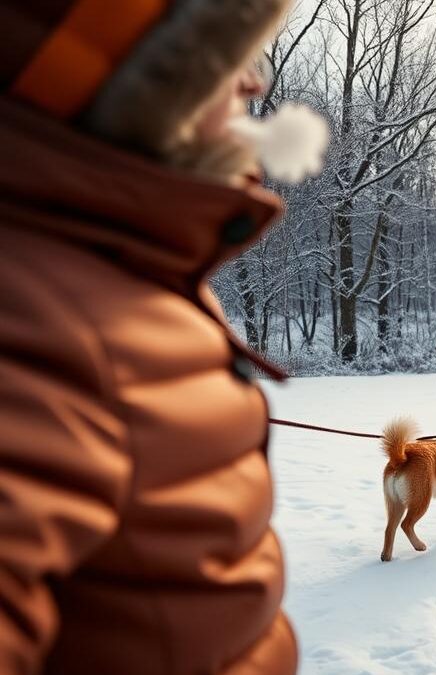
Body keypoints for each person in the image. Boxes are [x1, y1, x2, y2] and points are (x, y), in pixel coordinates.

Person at [0, 1, 312, 672]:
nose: (254, 81)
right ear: (140, 76)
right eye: (231, 57)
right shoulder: (34, 322)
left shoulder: (119, 267)